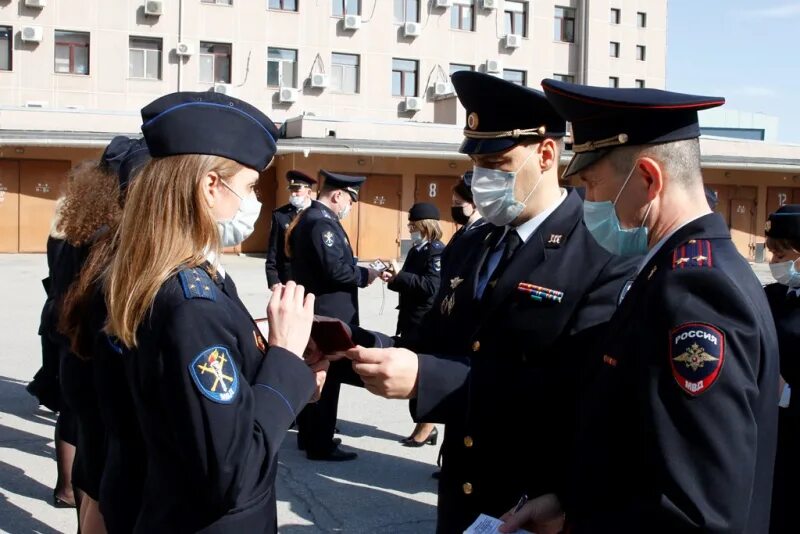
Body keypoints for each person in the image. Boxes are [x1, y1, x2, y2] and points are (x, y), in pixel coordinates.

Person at [342, 71, 635, 532]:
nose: (482, 180)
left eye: (497, 164)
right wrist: (347, 348)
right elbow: (433, 342)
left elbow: (580, 389)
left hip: (535, 497)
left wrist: (430, 376)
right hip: (463, 487)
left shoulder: (601, 250)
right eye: (476, 165)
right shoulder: (472, 244)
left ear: (545, 155)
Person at [499, 80, 780, 533]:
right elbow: (641, 444)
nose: (585, 202)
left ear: (648, 179)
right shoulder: (672, 271)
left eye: (591, 185)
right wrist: (570, 504)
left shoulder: (696, 292)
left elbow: (695, 513)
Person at [104, 91, 326, 532]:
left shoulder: (190, 279)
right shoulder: (192, 304)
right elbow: (233, 470)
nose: (253, 200)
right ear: (210, 186)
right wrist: (282, 358)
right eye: (247, 186)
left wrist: (291, 378)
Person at [59, 137, 150, 534]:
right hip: (100, 371)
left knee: (94, 478)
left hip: (81, 363)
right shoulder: (115, 243)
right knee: (104, 489)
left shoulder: (83, 230)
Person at [287, 170, 380, 461]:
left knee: (317, 374)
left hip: (321, 311)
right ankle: (320, 443)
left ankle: (310, 436)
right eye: (350, 199)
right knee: (327, 379)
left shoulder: (313, 220)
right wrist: (367, 274)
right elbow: (335, 270)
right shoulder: (321, 223)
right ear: (337, 195)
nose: (350, 206)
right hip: (327, 315)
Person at [382, 202, 444, 447]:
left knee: (424, 379)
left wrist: (402, 276)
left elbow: (431, 287)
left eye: (413, 226)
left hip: (425, 323)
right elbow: (410, 282)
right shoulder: (418, 250)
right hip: (410, 321)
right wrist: (394, 277)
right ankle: (422, 425)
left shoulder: (436, 251)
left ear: (425, 226)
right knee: (416, 380)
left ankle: (427, 427)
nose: (410, 230)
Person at [763, 205, 800, 534]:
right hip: (768, 434)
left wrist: (786, 393)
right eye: (772, 252)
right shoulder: (772, 296)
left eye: (782, 253)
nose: (775, 261)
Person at [265, 170, 317, 288]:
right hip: (288, 279)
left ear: (309, 191)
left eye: (297, 190)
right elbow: (273, 249)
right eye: (291, 190)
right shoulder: (280, 215)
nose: (293, 194)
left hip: (314, 278)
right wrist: (273, 279)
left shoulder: (319, 212)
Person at [443, 172, 487, 269]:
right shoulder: (464, 230)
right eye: (453, 203)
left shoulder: (481, 232)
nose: (454, 207)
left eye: (458, 203)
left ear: (474, 204)